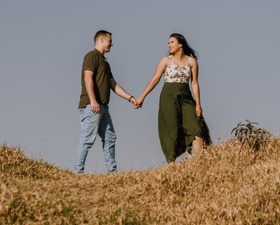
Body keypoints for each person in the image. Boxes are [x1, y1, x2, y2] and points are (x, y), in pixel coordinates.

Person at [133, 33, 211, 164]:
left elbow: (194, 83)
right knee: (172, 130)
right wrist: (142, 97)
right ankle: (171, 164)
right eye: (168, 43)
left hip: (186, 97)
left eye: (172, 42)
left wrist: (198, 104)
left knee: (196, 126)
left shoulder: (192, 62)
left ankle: (199, 163)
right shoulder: (165, 61)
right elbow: (155, 79)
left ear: (181, 44)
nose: (169, 45)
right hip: (168, 97)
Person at [75, 30, 135, 173]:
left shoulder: (105, 63)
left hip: (103, 108)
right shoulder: (91, 56)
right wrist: (93, 101)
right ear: (101, 40)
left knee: (110, 137)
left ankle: (112, 172)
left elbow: (113, 85)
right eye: (110, 41)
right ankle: (78, 171)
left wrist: (130, 98)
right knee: (87, 139)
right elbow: (87, 78)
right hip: (92, 106)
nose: (112, 44)